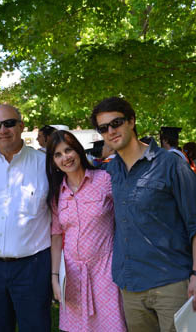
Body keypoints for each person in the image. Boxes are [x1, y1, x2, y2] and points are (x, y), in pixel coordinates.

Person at [90, 97, 196, 332]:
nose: (111, 131)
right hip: (130, 285)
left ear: (132, 121)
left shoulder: (170, 164)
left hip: (170, 281)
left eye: (116, 123)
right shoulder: (109, 170)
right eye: (103, 128)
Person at [0, 104, 52, 332]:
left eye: (9, 123)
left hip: (32, 267)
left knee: (35, 327)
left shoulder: (45, 165)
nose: (2, 130)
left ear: (21, 126)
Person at [46, 130, 126, 331]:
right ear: (53, 161)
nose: (65, 157)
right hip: (72, 276)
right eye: (58, 154)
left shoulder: (104, 180)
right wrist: (55, 278)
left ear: (78, 151)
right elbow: (56, 237)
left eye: (68, 150)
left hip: (106, 272)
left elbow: (126, 220)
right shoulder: (57, 194)